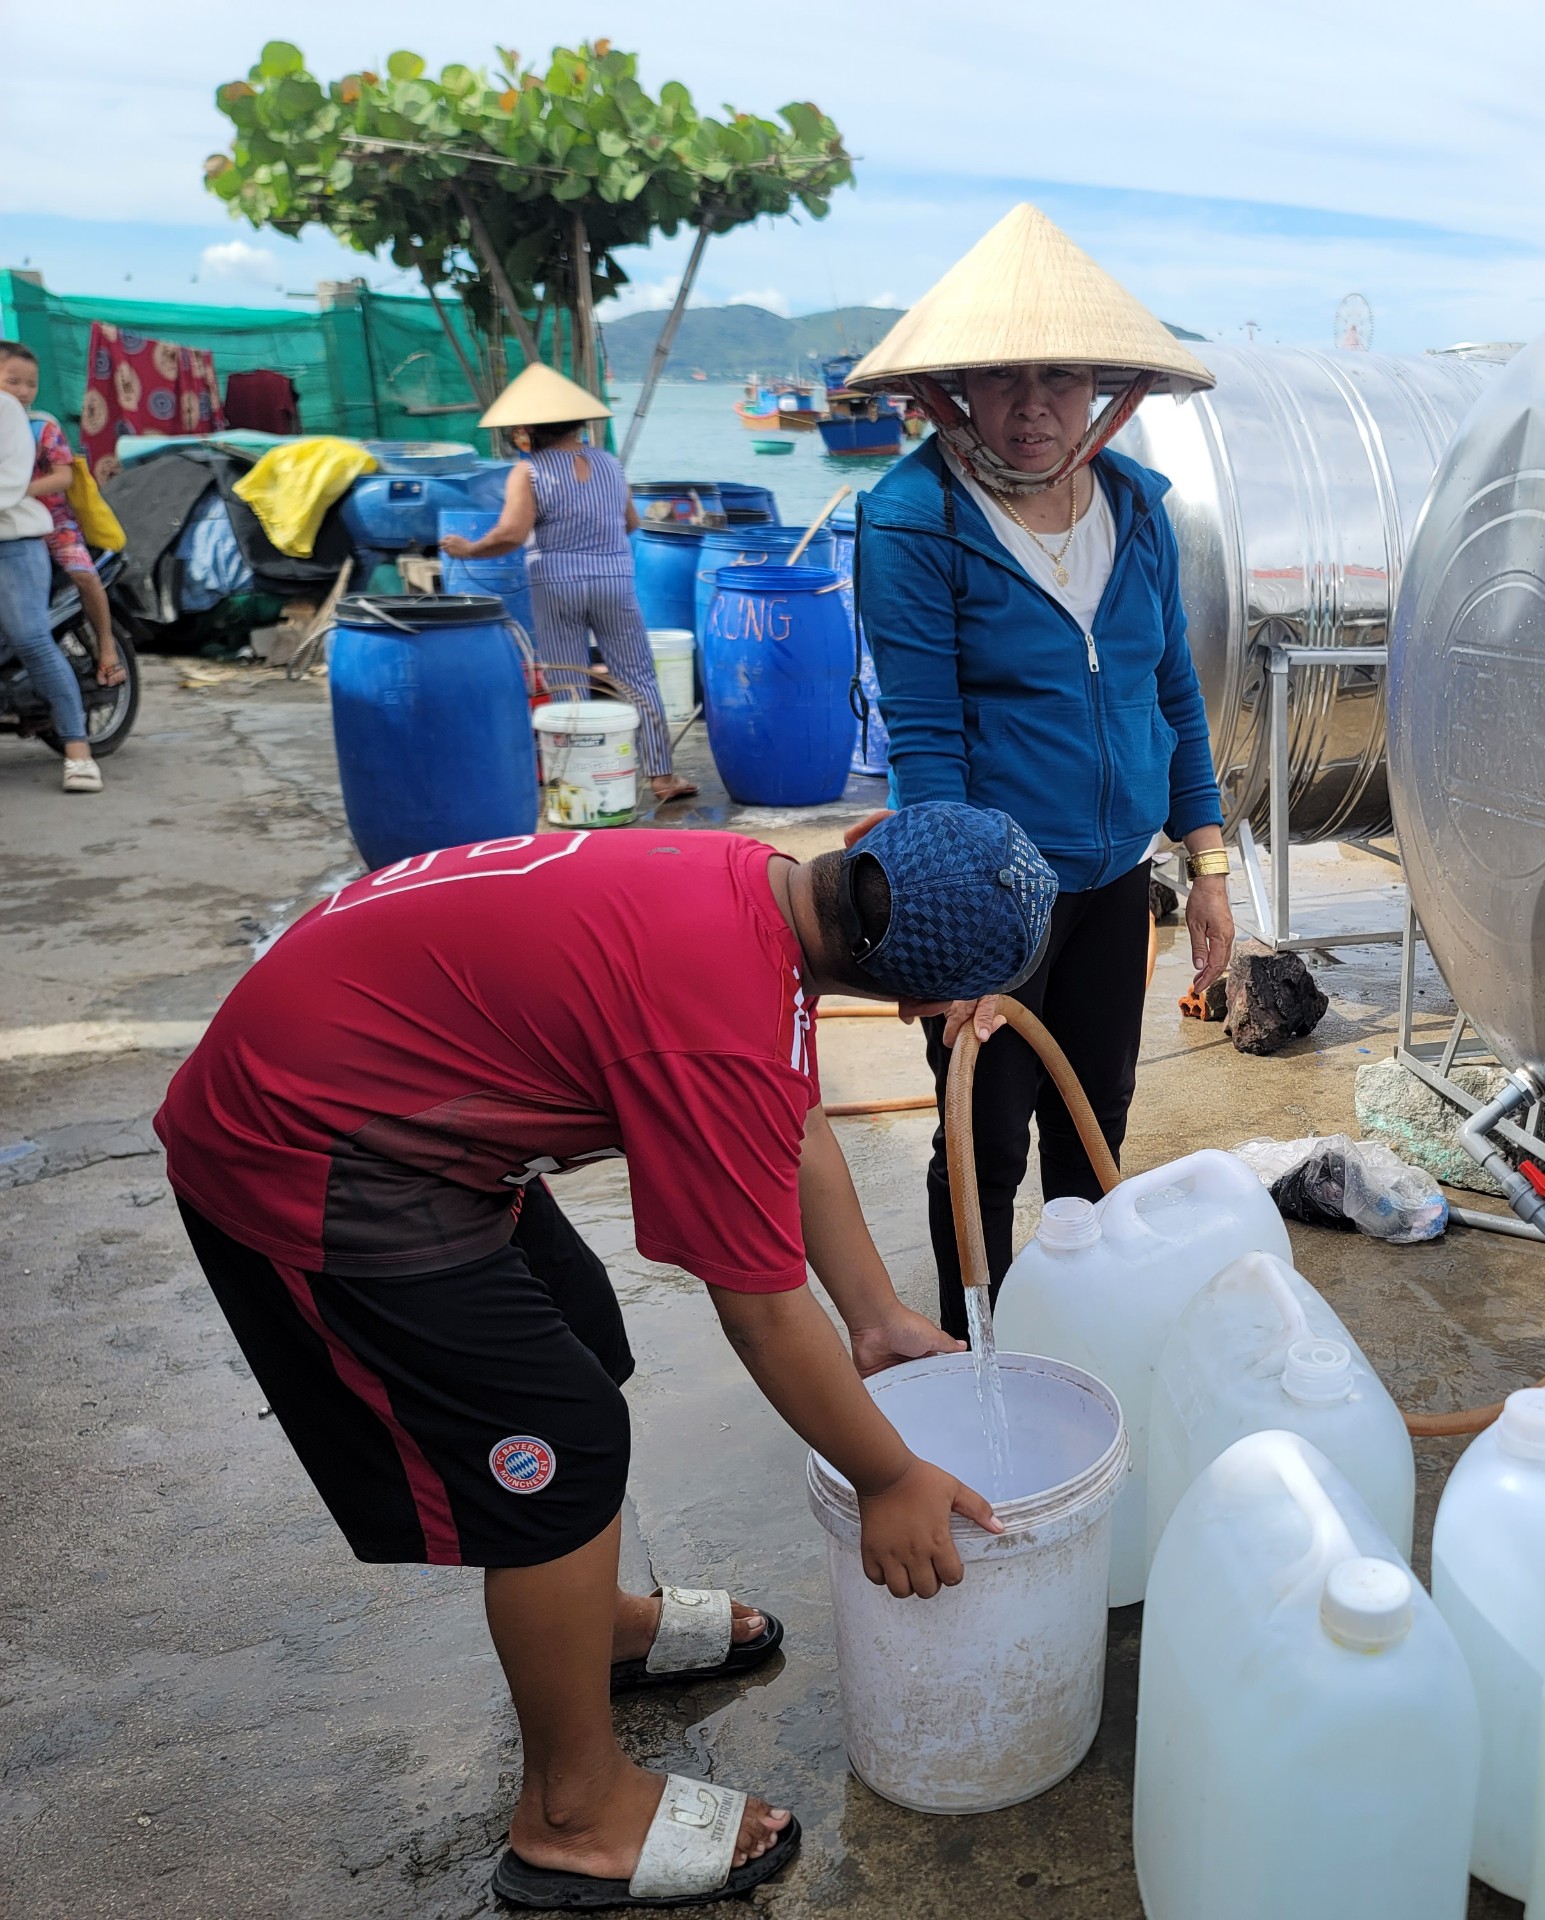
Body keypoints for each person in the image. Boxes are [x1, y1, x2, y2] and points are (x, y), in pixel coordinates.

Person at [154, 801, 1056, 1911]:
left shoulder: (757, 882)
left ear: (865, 838)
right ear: (918, 1003)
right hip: (308, 1141)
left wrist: (873, 1316)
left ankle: (598, 1626)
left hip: (381, 1073)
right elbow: (762, 1313)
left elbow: (790, 1115)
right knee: (557, 1446)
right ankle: (570, 1815)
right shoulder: (717, 1023)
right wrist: (890, 1477)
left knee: (583, 1336)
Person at [847, 204, 1237, 1339]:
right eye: (1001, 377)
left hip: (1115, 876)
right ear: (955, 389)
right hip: (993, 889)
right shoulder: (914, 517)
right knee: (984, 1132)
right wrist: (960, 933)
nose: (1031, 405)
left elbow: (1173, 695)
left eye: (1060, 375)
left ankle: (1079, 1334)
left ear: (1104, 390)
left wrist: (1208, 864)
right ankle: (977, 1352)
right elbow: (926, 738)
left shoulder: (1137, 509)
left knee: (1095, 1119)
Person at [442, 364, 696, 804]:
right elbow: (629, 523)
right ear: (578, 423)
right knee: (637, 676)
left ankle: (579, 779)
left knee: (567, 678)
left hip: (557, 584)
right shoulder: (610, 464)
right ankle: (662, 776)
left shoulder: (528, 471)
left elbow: (511, 534)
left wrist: (468, 549)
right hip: (614, 581)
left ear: (528, 430)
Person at [0, 342, 123, 698]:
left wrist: (19, 491)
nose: (23, 391)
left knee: (84, 575)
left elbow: (63, 476)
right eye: (13, 381)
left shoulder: (42, 427)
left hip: (54, 522)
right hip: (8, 524)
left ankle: (106, 646)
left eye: (31, 384)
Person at [0, 367, 100, 793]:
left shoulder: (8, 412)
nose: (23, 389)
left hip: (13, 540)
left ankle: (78, 751)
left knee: (30, 638)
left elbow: (12, 481)